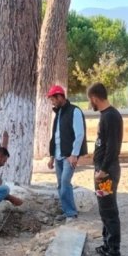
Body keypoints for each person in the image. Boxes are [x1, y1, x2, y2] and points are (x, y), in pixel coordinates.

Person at [87, 82, 123, 256]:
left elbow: (113, 148)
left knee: (109, 211)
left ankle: (113, 252)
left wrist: (103, 169)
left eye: (90, 101)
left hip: (106, 173)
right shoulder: (106, 116)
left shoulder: (111, 116)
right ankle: (107, 245)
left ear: (94, 98)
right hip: (102, 171)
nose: (90, 104)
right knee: (103, 210)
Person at [46, 85, 87, 222]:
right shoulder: (58, 114)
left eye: (53, 99)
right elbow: (55, 136)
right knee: (60, 185)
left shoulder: (74, 111)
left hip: (69, 156)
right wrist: (52, 157)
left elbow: (79, 134)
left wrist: (74, 154)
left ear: (60, 97)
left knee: (65, 183)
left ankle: (71, 213)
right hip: (58, 155)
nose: (52, 102)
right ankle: (67, 211)